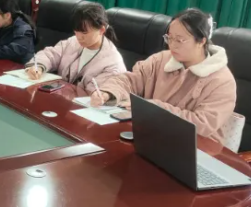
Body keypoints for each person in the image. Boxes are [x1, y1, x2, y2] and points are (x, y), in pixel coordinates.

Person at [91, 8, 236, 144]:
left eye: (179, 40)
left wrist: (157, 109)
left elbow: (202, 124)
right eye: (169, 38)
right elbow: (130, 79)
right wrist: (108, 92)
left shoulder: (222, 81)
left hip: (198, 147)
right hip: (154, 136)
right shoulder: (161, 60)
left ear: (201, 41)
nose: (172, 45)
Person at [25, 2, 126, 94]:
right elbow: (50, 54)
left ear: (101, 30)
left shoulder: (112, 63)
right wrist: (38, 66)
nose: (79, 37)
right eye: (76, 32)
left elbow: (93, 96)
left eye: (84, 33)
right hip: (62, 98)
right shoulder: (73, 42)